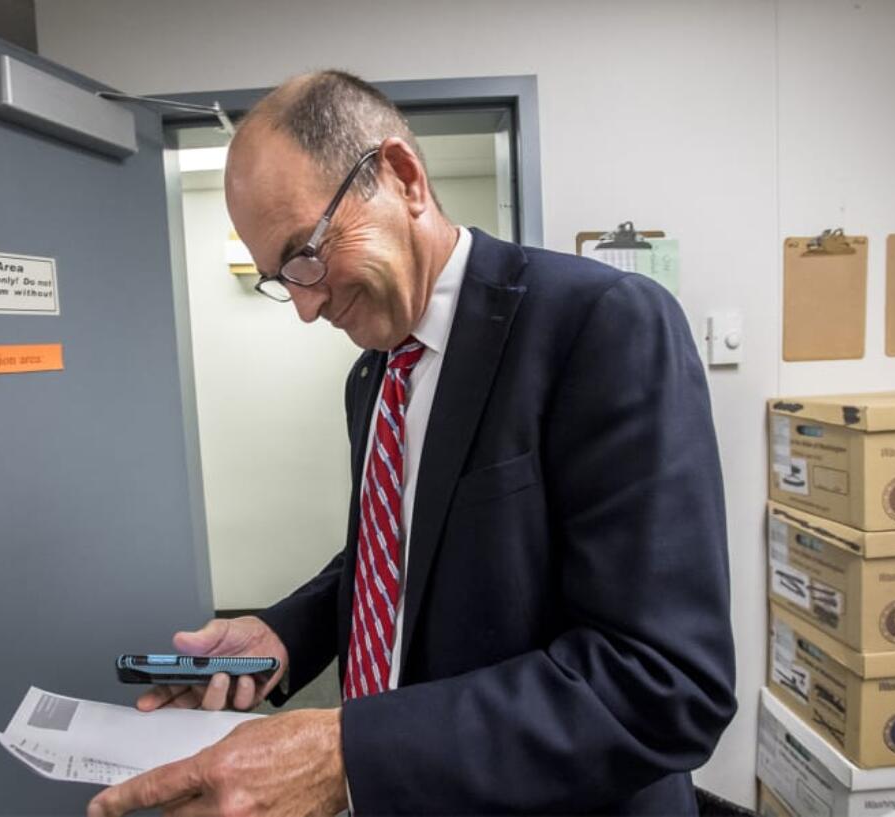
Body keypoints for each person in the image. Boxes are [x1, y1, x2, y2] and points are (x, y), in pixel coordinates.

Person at [88, 70, 736, 817]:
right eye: (280, 278)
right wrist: (283, 633)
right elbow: (395, 553)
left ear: (402, 177)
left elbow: (665, 678)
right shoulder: (371, 377)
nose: (305, 306)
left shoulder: (602, 325)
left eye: (306, 252)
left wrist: (348, 753)